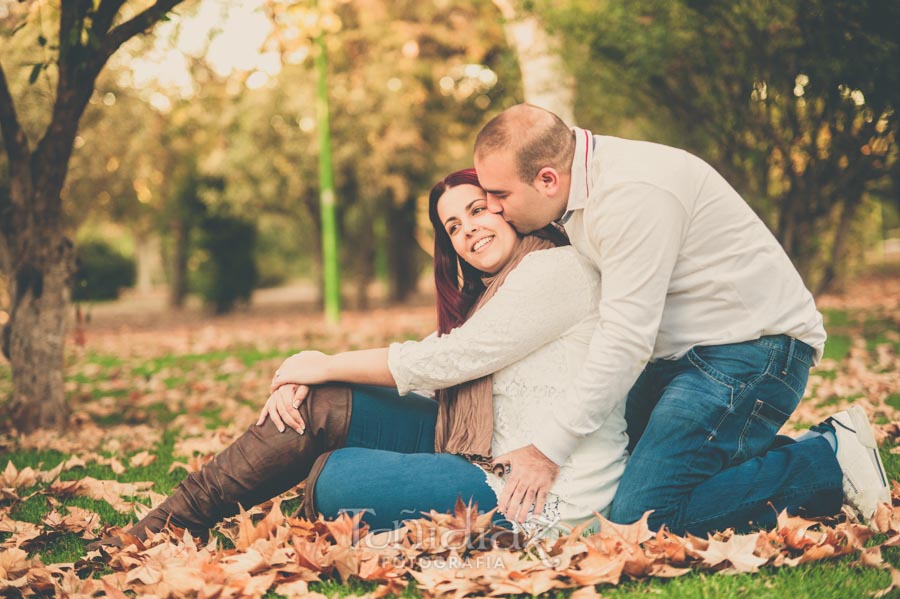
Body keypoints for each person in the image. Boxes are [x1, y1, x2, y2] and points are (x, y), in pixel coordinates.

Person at [88, 169, 627, 549]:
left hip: (541, 492)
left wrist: (321, 361)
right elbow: (439, 370)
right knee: (322, 407)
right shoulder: (502, 288)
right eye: (453, 227)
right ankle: (169, 523)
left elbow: (450, 360)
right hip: (486, 448)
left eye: (477, 210)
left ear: (507, 207)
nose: (468, 232)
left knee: (334, 476)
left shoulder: (554, 271)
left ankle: (255, 501)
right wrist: (316, 382)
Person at [471, 103, 890, 535]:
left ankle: (827, 464)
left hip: (753, 353)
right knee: (611, 479)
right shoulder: (580, 183)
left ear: (547, 179)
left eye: (499, 195)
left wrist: (545, 452)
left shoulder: (630, 194)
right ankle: (805, 450)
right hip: (682, 358)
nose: (491, 208)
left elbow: (625, 340)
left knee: (641, 520)